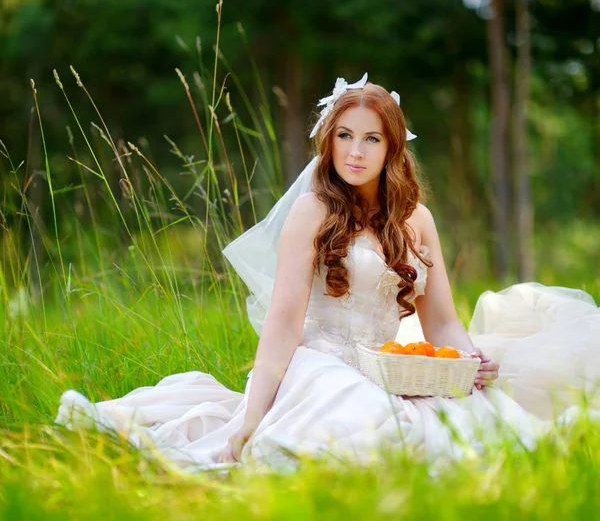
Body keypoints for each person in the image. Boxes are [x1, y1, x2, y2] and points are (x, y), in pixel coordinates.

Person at [56, 74, 600, 472]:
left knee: (485, 425)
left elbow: (442, 326)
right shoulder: (313, 210)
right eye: (344, 135)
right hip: (318, 366)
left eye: (370, 139)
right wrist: (250, 416)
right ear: (327, 138)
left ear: (392, 148)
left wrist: (466, 360)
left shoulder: (419, 220)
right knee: (358, 425)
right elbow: (284, 326)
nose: (355, 152)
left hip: (396, 372)